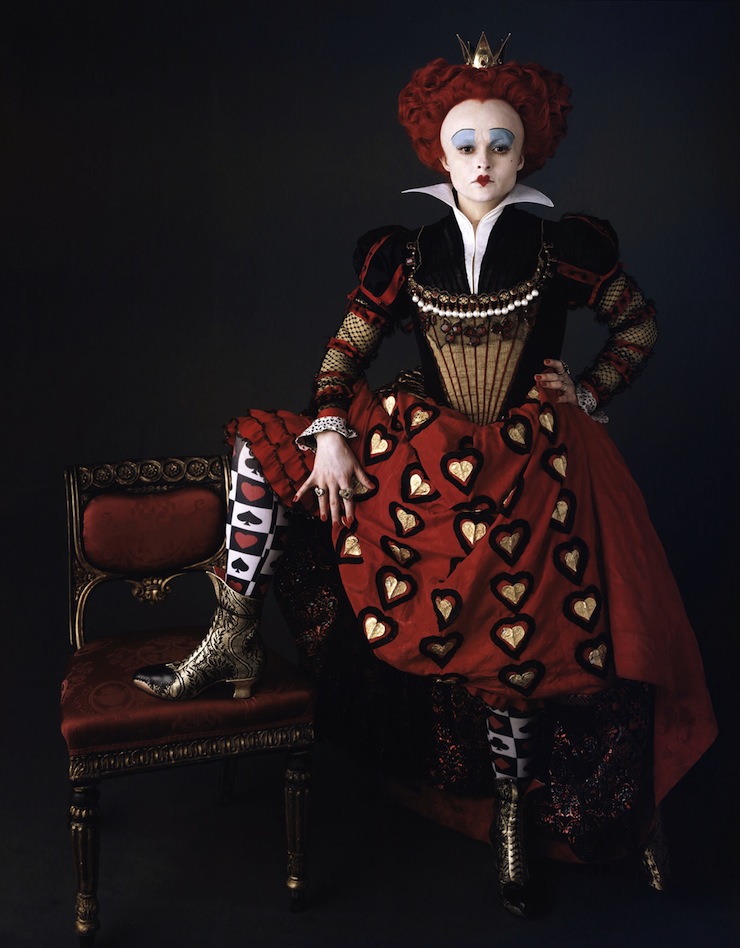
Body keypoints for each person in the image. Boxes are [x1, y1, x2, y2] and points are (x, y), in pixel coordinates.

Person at [133, 32, 717, 917]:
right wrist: (333, 430)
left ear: (527, 151)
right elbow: (345, 353)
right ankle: (233, 631)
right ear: (438, 153)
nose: (483, 162)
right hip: (421, 452)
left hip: (530, 463)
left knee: (520, 647)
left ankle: (513, 812)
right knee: (263, 451)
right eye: (466, 145)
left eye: (501, 145)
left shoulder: (563, 247)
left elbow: (637, 325)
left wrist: (591, 390)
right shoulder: (403, 255)